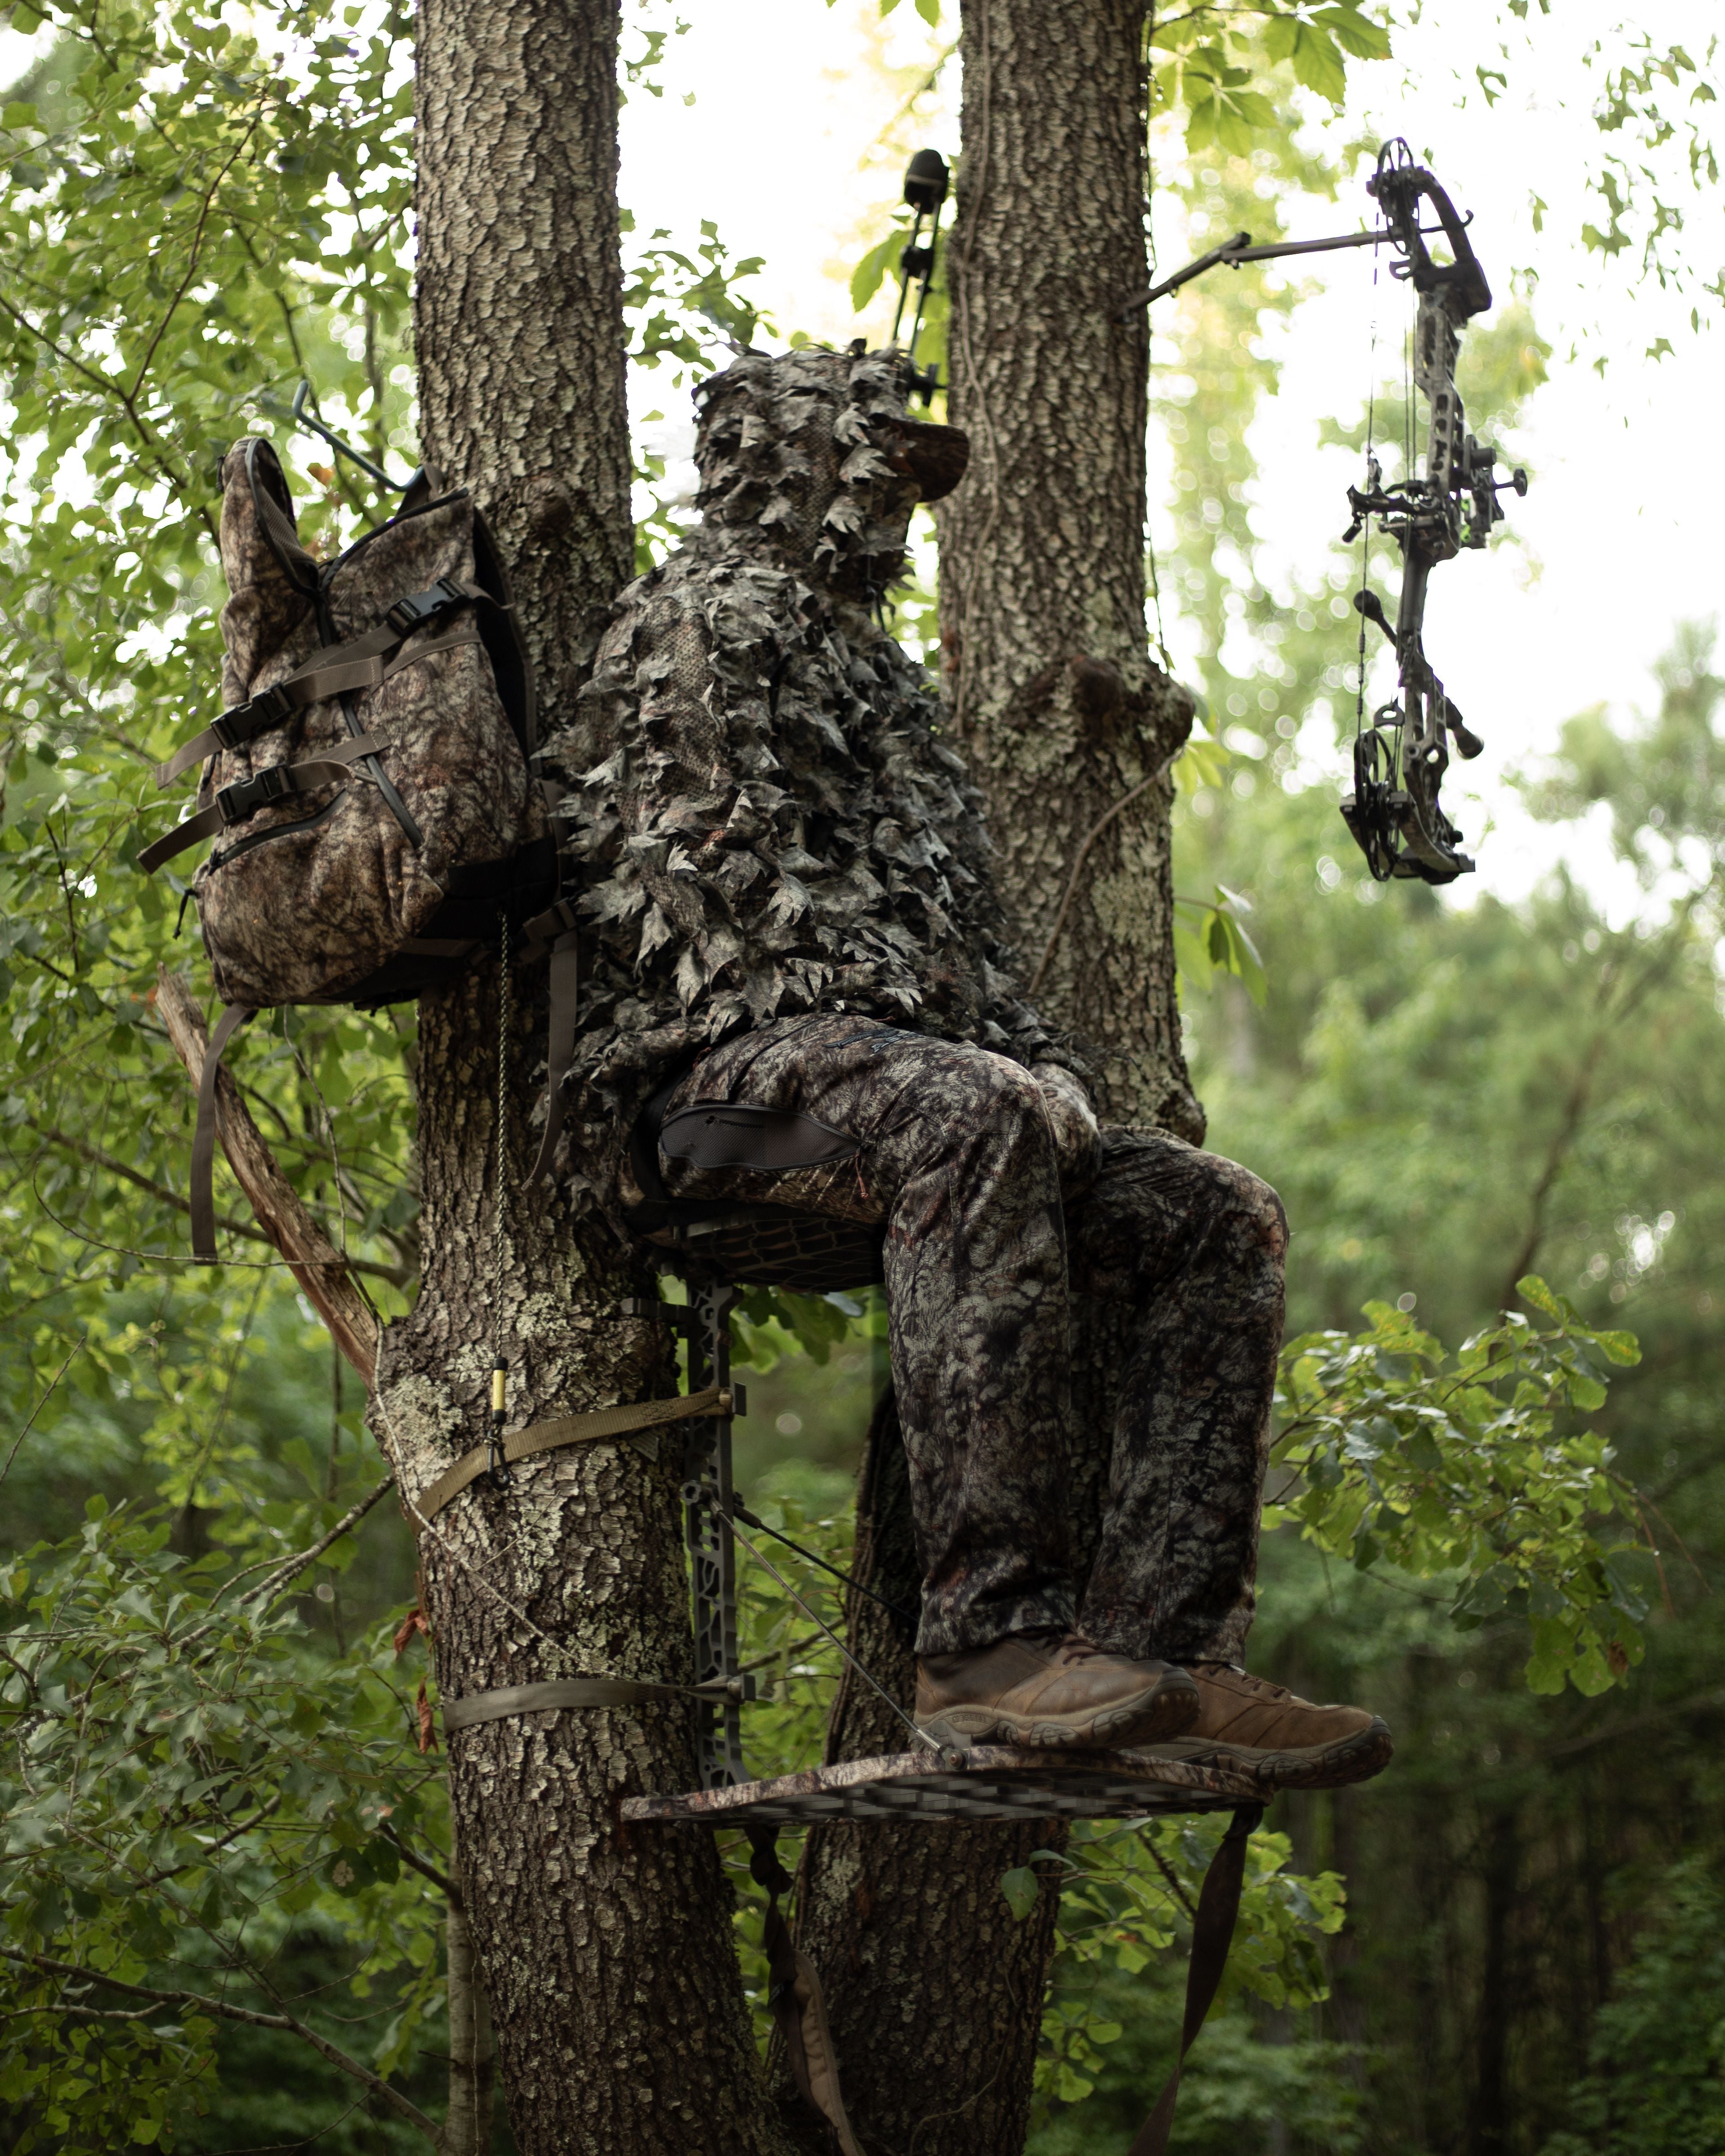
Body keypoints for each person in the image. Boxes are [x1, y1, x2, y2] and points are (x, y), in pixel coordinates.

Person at [543, 345, 1389, 1790]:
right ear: (786, 462)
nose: (893, 507)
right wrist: (979, 1068)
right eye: (872, 467)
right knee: (976, 1114)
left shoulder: (881, 681)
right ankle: (990, 1652)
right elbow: (711, 883)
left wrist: (1052, 1078)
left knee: (1205, 1209)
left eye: (911, 484)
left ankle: (1161, 1660)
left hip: (902, 1095)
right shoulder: (691, 623)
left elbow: (980, 953)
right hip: (701, 1095)